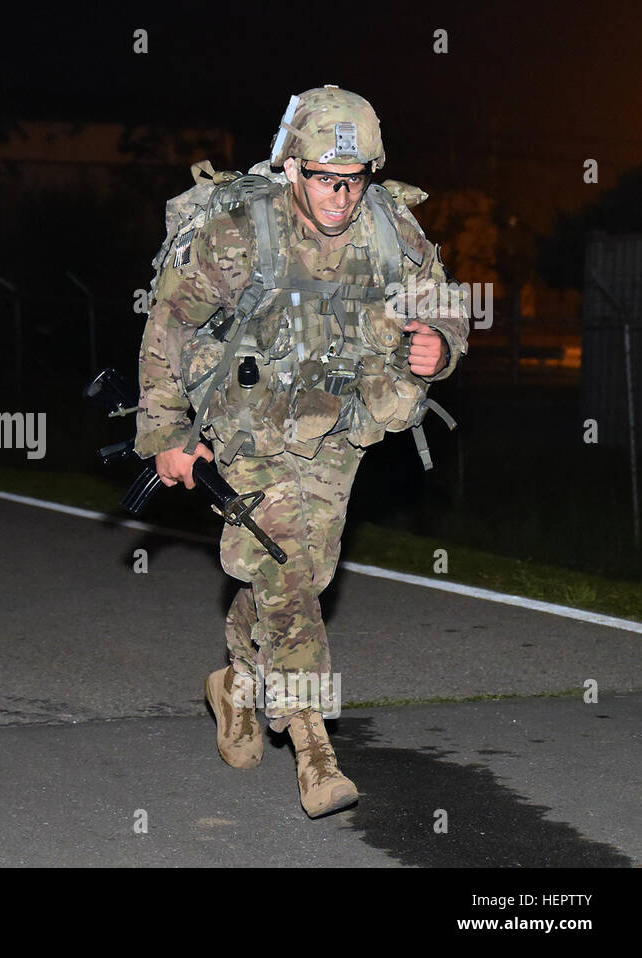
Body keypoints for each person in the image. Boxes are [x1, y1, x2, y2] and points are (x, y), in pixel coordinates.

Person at [135, 86, 469, 818]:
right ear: (292, 169)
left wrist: (437, 344)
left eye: (353, 181)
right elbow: (170, 324)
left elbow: (444, 301)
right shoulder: (239, 231)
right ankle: (315, 744)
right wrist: (164, 434)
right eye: (324, 178)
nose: (340, 197)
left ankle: (238, 683)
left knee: (303, 574)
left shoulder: (390, 228)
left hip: (337, 429)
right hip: (248, 429)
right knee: (284, 562)